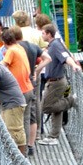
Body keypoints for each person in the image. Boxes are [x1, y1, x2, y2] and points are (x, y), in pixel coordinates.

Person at [10, 25, 51, 156]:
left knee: (18, 116)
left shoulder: (15, 49)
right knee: (31, 115)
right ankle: (30, 145)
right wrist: (37, 70)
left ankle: (19, 146)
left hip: (19, 85)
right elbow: (48, 58)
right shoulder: (33, 47)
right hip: (32, 82)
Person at [38, 23, 80, 146]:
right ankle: (53, 136)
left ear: (49, 34)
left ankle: (71, 101)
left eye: (43, 33)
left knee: (46, 107)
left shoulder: (56, 45)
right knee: (57, 108)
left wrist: (74, 65)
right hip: (55, 81)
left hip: (56, 82)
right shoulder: (52, 45)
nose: (42, 35)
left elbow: (66, 57)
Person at [0, 29, 33, 154]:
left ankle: (17, 152)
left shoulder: (11, 50)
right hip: (28, 88)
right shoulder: (20, 48)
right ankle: (26, 150)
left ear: (4, 42)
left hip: (19, 92)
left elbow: (2, 66)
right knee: (25, 120)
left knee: (16, 125)